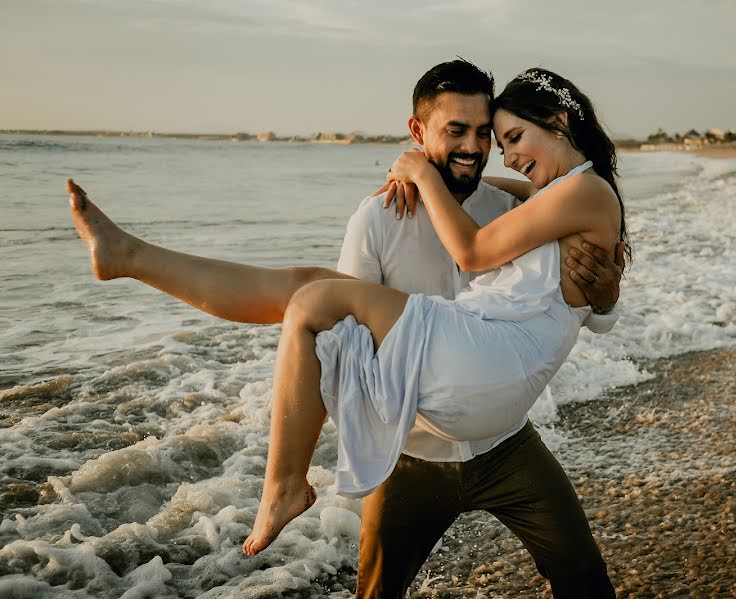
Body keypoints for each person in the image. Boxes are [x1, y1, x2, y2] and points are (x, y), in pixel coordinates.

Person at [68, 60, 624, 597]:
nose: (476, 148)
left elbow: (580, 304)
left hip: (503, 443)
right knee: (307, 292)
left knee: (582, 573)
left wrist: (607, 294)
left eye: (486, 134)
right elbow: (344, 349)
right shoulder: (380, 217)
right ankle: (131, 257)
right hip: (414, 451)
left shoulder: (513, 205)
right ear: (417, 130)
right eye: (458, 131)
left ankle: (281, 481)